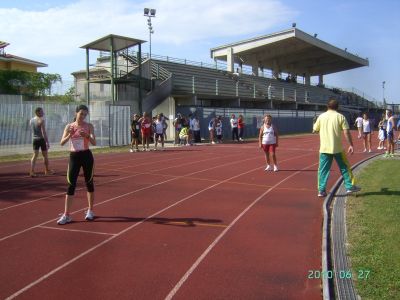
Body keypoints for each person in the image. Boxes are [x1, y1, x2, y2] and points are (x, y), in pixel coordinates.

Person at [313, 98, 361, 197]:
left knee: (323, 170)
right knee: (345, 167)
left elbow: (315, 130)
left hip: (324, 149)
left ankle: (321, 190)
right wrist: (351, 145)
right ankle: (349, 186)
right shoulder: (340, 117)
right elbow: (346, 132)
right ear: (337, 107)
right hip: (337, 148)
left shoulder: (321, 116)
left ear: (327, 106)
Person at [57, 105, 96, 225]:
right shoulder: (69, 126)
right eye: (81, 114)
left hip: (86, 156)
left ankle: (90, 210)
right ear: (76, 113)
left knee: (89, 182)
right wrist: (69, 134)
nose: (83, 116)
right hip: (74, 156)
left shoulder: (89, 126)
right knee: (71, 184)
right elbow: (62, 143)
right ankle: (66, 215)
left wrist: (87, 136)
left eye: (85, 114)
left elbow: (94, 142)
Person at [29, 107, 54, 177]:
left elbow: (32, 130)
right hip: (41, 139)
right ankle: (47, 170)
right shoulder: (41, 120)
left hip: (34, 139)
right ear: (37, 112)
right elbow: (43, 132)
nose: (43, 113)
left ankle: (32, 171)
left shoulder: (31, 120)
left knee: (34, 156)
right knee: (45, 156)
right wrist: (47, 142)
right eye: (41, 112)